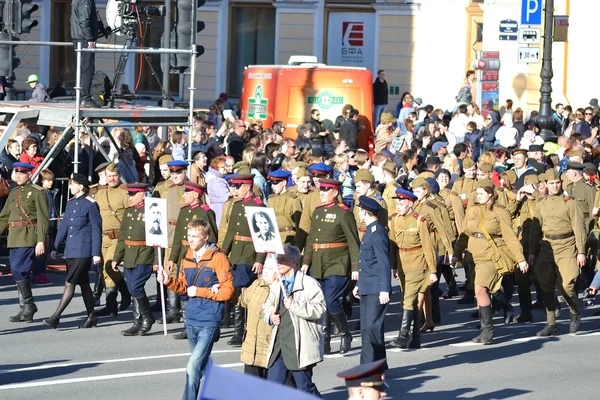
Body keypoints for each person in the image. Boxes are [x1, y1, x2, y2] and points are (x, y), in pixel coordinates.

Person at [157, 218, 234, 400]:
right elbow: (184, 287)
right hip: (191, 318)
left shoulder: (218, 258)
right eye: (189, 235)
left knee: (192, 366)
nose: (190, 240)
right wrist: (167, 280)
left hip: (209, 319)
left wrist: (201, 291)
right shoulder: (187, 257)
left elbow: (227, 291)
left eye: (195, 236)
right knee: (202, 364)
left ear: (205, 237)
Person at [453, 179, 528, 344]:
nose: (478, 196)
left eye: (481, 193)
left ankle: (488, 330)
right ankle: (502, 309)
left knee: (480, 289)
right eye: (477, 193)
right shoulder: (472, 210)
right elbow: (464, 234)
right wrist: (456, 254)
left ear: (490, 194)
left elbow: (509, 236)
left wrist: (520, 259)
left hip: (492, 254)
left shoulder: (500, 212)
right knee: (484, 290)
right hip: (475, 255)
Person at [302, 178, 360, 355]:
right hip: (319, 263)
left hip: (338, 263)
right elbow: (311, 238)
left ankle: (344, 333)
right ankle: (325, 339)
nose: (322, 193)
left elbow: (353, 242)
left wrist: (356, 268)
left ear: (335, 192)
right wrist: (306, 262)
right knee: (321, 302)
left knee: (331, 300)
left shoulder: (343, 213)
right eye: (321, 190)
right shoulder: (318, 212)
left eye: (325, 191)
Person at [529, 169, 586, 336]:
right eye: (551, 183)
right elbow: (535, 230)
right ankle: (551, 323)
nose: (555, 186)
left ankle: (575, 312)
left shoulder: (570, 202)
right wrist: (532, 251)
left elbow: (579, 228)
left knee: (566, 285)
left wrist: (581, 251)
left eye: (557, 183)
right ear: (545, 185)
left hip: (567, 246)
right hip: (547, 247)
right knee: (545, 285)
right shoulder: (541, 204)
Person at [265, 244, 325, 396]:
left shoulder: (309, 284)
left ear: (294, 262)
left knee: (305, 389)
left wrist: (295, 305)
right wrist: (270, 317)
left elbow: (320, 310)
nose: (278, 263)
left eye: (282, 259)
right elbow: (265, 307)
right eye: (277, 259)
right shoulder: (277, 285)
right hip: (279, 346)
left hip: (300, 346)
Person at [44, 173, 102, 329]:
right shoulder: (70, 204)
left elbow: (96, 230)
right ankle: (91, 316)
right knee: (83, 284)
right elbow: (63, 227)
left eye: (72, 184)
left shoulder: (90, 204)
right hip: (70, 250)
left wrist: (96, 253)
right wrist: (56, 247)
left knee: (69, 284)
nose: (70, 186)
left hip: (83, 251)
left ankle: (56, 317)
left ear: (81, 186)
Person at [165, 181, 218, 335]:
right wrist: (172, 258)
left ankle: (200, 323)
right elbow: (177, 237)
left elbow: (212, 237)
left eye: (187, 192)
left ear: (196, 194)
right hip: (184, 254)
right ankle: (188, 324)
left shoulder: (205, 212)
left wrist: (207, 257)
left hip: (198, 256)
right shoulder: (184, 211)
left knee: (197, 288)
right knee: (183, 288)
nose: (184, 195)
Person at [0, 162, 49, 323]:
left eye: (22, 173)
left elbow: (43, 218)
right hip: (14, 237)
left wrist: (41, 240)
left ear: (29, 174)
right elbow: (4, 217)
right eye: (17, 172)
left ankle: (28, 306)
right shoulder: (13, 193)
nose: (18, 175)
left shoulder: (38, 192)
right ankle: (25, 308)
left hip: (29, 236)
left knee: (17, 269)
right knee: (16, 272)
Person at [221, 174, 267, 346]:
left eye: (238, 187)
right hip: (237, 254)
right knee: (237, 290)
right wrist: (224, 253)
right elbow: (231, 231)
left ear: (247, 187)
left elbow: (263, 235)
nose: (235, 190)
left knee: (242, 290)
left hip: (250, 254)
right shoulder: (237, 205)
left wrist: (260, 259)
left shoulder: (258, 206)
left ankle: (241, 331)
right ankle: (240, 330)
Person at [388, 188, 437, 349]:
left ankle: (403, 336)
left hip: (417, 263)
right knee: (410, 300)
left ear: (410, 204)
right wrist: (394, 267)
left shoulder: (419, 220)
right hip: (402, 264)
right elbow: (393, 246)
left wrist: (433, 270)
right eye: (397, 202)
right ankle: (416, 338)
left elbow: (428, 247)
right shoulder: (394, 219)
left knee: (408, 299)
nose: (398, 205)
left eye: (401, 202)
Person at [112, 183, 156, 336]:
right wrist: (116, 257)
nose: (129, 197)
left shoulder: (151, 210)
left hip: (145, 253)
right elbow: (123, 236)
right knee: (132, 288)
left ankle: (148, 318)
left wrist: (157, 261)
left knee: (136, 286)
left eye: (133, 194)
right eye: (129, 194)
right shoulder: (129, 212)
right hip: (130, 254)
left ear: (142, 195)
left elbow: (158, 237)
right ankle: (137, 322)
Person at [352, 196, 391, 365]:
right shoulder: (370, 231)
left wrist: (385, 289)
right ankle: (379, 364)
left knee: (370, 328)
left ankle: (367, 367)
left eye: (360, 210)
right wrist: (359, 284)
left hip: (376, 287)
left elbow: (384, 262)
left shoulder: (377, 233)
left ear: (365, 212)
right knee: (370, 328)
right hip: (368, 285)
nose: (358, 213)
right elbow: (367, 263)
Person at [94, 163, 132, 317]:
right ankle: (111, 305)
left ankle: (124, 291)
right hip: (103, 237)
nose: (112, 179)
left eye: (114, 176)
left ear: (119, 176)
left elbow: (130, 215)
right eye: (109, 176)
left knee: (111, 266)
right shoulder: (100, 194)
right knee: (104, 270)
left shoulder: (125, 193)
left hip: (118, 237)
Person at [71, 0, 99, 107]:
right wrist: (89, 39)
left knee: (82, 68)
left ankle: (81, 97)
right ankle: (85, 98)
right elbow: (84, 20)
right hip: (83, 39)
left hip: (78, 37)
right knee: (87, 69)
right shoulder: (85, 0)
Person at [267, 169, 302, 245]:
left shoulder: (293, 200)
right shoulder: (271, 199)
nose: (272, 186)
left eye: (275, 183)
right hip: (273, 238)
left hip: (288, 238)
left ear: (284, 182)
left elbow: (299, 225)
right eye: (271, 183)